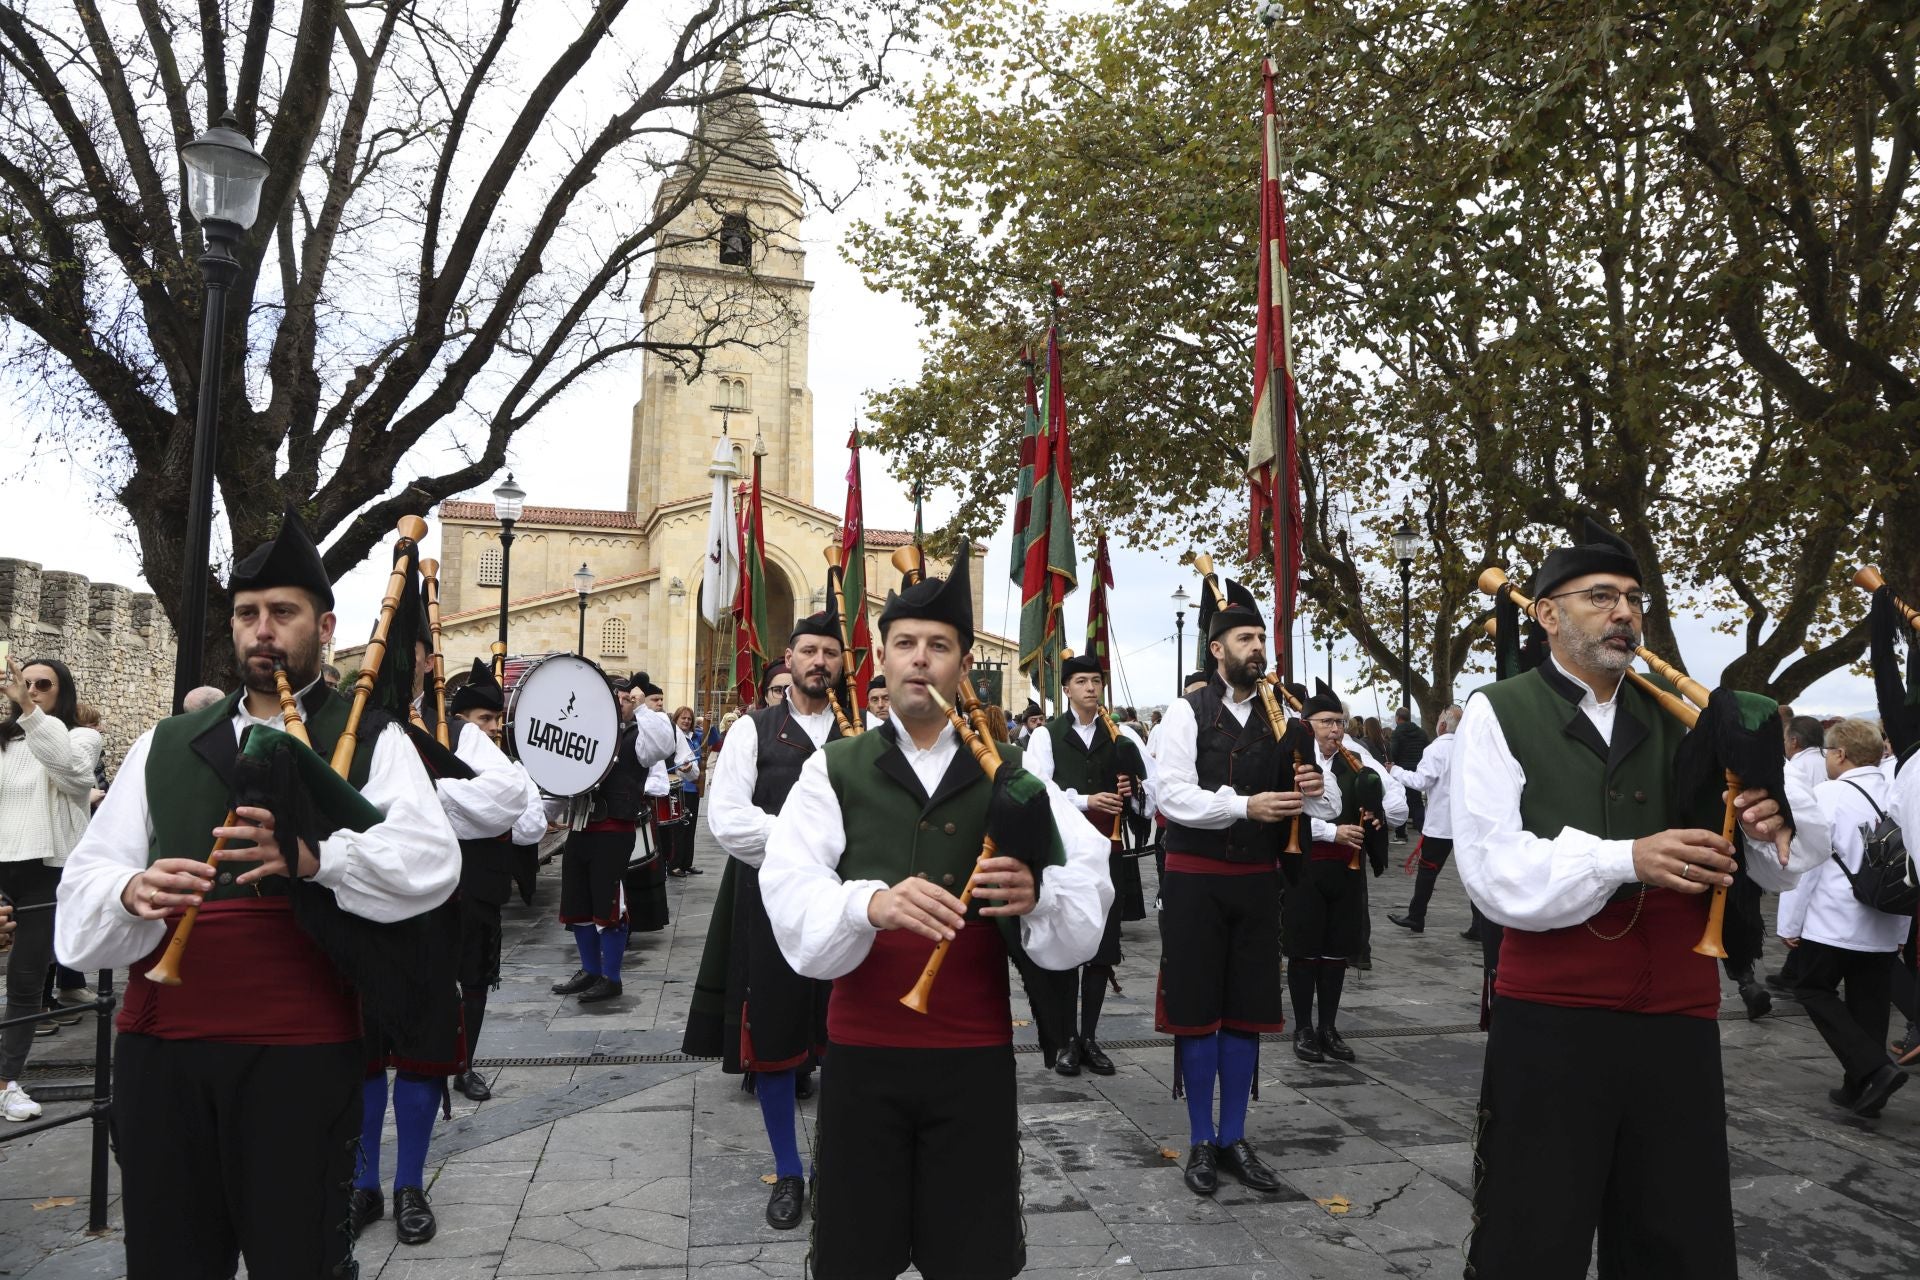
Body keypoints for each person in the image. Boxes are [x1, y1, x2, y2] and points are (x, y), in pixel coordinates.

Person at [54, 508, 462, 1278]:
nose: (262, 630)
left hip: (299, 1054)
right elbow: (85, 885)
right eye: (247, 614)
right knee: (170, 1262)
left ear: (324, 626)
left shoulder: (373, 736)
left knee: (297, 1261)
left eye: (282, 612)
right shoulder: (165, 745)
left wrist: (315, 859)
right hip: (164, 1053)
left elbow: (430, 861)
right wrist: (131, 889)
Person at [1453, 518, 1824, 1279]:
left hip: (1677, 1014)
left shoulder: (1687, 718)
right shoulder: (1499, 709)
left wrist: (1769, 821)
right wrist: (1626, 857)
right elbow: (1491, 870)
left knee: (1675, 1234)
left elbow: (1787, 865)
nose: (1623, 611)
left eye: (1632, 597)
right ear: (1547, 614)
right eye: (1600, 597)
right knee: (1534, 1233)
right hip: (1554, 1014)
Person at [760, 541, 1111, 1280]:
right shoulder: (835, 769)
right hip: (862, 1053)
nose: (920, 658)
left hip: (973, 1055)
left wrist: (1039, 894)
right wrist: (870, 903)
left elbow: (1087, 882)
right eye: (905, 644)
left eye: (940, 646)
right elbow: (789, 887)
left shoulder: (1013, 774)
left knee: (970, 1258)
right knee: (856, 1259)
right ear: (882, 662)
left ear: (963, 664)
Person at [351, 650, 547, 1245]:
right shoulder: (341, 725)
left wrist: (427, 798)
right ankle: (363, 1184)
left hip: (435, 910)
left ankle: (410, 1184)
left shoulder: (455, 732)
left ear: (423, 662)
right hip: (359, 907)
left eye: (407, 651)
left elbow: (508, 797)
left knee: (423, 1047)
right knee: (361, 1051)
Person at [1151, 578, 1335, 1199]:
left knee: (1246, 1010)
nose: (1258, 648)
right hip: (1196, 880)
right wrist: (1243, 805)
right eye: (1245, 638)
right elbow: (1172, 796)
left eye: (1261, 637)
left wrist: (1314, 790)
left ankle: (1234, 1136)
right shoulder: (1186, 713)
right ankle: (1201, 1138)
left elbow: (1324, 805)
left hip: (1258, 881)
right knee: (1198, 1010)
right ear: (1217, 649)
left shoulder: (1285, 721)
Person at [685, 607, 848, 1230]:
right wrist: (805, 844)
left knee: (846, 1036)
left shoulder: (863, 735)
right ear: (790, 658)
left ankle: (840, 1166)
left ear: (842, 663)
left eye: (829, 653)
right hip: (773, 903)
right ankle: (788, 1171)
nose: (819, 662)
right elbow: (727, 819)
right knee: (775, 1039)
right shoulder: (755, 731)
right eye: (809, 651)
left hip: (846, 908)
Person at [1023, 652, 1157, 1076]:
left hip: (1109, 851)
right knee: (1068, 944)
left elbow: (1151, 796)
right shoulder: (1046, 736)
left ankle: (1090, 1038)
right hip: (1065, 855)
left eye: (1096, 681)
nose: (1090, 688)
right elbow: (1037, 791)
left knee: (1102, 947)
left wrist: (1133, 792)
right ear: (1066, 689)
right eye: (1081, 681)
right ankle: (1065, 1039)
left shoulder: (1122, 736)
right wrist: (1086, 800)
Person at [1777, 718, 1907, 1115]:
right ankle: (1861, 1088)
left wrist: (1790, 923)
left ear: (1841, 754)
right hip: (1885, 919)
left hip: (1833, 918)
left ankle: (1875, 1068)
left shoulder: (1828, 795)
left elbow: (1807, 863)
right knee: (1870, 1005)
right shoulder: (1899, 792)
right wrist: (1903, 927)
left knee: (1812, 989)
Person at [0, 655, 101, 1121]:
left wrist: (30, 713)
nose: (33, 690)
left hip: (45, 869)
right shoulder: (3, 740)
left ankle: (6, 1082)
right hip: (3, 861)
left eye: (44, 684)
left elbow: (73, 775)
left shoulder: (80, 736)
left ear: (63, 691)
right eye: (26, 683)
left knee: (25, 980)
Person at [1290, 683, 1403, 1058]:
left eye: (1339, 722)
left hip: (1346, 870)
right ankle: (1303, 1028)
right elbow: (1284, 816)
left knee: (1336, 952)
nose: (1335, 729)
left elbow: (1396, 805)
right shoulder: (1293, 760)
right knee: (1304, 950)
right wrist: (1331, 832)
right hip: (1305, 867)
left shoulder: (1355, 760)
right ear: (1308, 725)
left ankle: (1328, 1028)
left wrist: (1376, 816)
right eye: (1326, 722)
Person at [553, 670, 680, 1002]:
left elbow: (663, 745)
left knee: (608, 904)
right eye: (615, 697)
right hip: (580, 826)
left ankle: (611, 977)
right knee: (577, 903)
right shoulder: (583, 731)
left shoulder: (638, 736)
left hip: (614, 830)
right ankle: (590, 970)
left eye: (625, 699)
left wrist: (640, 706)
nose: (620, 703)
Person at [1388, 705, 1462, 933]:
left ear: (1442, 725)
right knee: (1473, 874)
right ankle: (1479, 924)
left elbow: (1421, 782)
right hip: (1465, 822)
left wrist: (1395, 771)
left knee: (1427, 872)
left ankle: (1416, 916)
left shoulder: (1436, 749)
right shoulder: (1469, 747)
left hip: (1441, 823)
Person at [672, 706, 705, 875]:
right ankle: (675, 864)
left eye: (689, 719)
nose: (686, 721)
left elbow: (711, 738)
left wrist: (707, 720)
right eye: (683, 718)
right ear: (676, 719)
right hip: (679, 788)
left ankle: (686, 862)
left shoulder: (694, 737)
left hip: (693, 788)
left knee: (691, 827)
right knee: (679, 828)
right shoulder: (673, 737)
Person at [1390, 706, 1430, 841]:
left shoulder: (1397, 733)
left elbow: (1393, 752)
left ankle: (1401, 834)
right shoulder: (1421, 733)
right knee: (1417, 802)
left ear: (1397, 718)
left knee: (1401, 801)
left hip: (1401, 771)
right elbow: (1427, 751)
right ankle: (1424, 830)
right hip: (1417, 771)